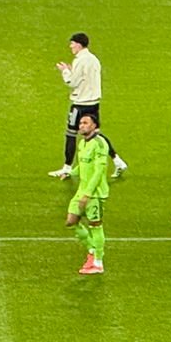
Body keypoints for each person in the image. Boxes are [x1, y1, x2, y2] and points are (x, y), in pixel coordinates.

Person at [50, 33, 128, 179]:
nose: (70, 46)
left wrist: (65, 71)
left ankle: (66, 168)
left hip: (80, 104)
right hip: (94, 103)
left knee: (71, 134)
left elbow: (72, 82)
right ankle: (118, 161)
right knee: (95, 134)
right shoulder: (94, 59)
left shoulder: (80, 60)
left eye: (72, 43)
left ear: (79, 44)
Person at [67, 112, 111, 275]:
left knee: (95, 225)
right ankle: (92, 251)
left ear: (94, 125)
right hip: (82, 191)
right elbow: (83, 166)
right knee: (71, 221)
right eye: (80, 124)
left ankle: (98, 263)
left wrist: (87, 194)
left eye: (85, 123)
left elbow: (99, 171)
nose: (81, 126)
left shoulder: (100, 144)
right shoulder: (82, 144)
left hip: (95, 193)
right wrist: (70, 173)